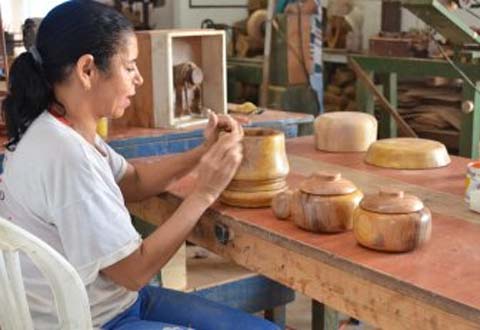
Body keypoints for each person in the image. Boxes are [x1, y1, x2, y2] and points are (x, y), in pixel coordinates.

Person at [0, 1, 279, 329]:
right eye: (129, 66)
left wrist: (203, 152)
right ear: (87, 70)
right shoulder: (65, 155)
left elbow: (131, 180)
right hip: (91, 320)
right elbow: (134, 271)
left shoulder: (61, 126)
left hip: (114, 301)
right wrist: (204, 192)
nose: (140, 79)